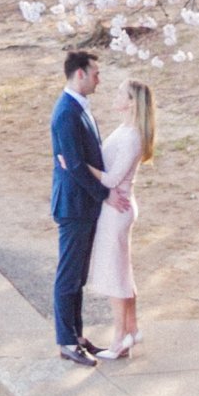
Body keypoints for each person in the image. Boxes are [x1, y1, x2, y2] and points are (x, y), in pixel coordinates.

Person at [84, 76, 155, 361]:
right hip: (118, 208)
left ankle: (119, 338)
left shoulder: (133, 136)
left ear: (130, 103)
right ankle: (132, 328)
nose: (114, 96)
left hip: (117, 210)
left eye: (120, 93)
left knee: (115, 274)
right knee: (123, 270)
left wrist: (81, 165)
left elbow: (112, 178)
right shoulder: (126, 130)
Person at [50, 47, 108, 363]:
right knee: (68, 274)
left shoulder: (79, 107)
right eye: (96, 74)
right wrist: (103, 194)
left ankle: (77, 335)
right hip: (73, 206)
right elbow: (73, 164)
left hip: (83, 206)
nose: (99, 80)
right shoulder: (66, 112)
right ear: (81, 74)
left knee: (78, 276)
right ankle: (66, 342)